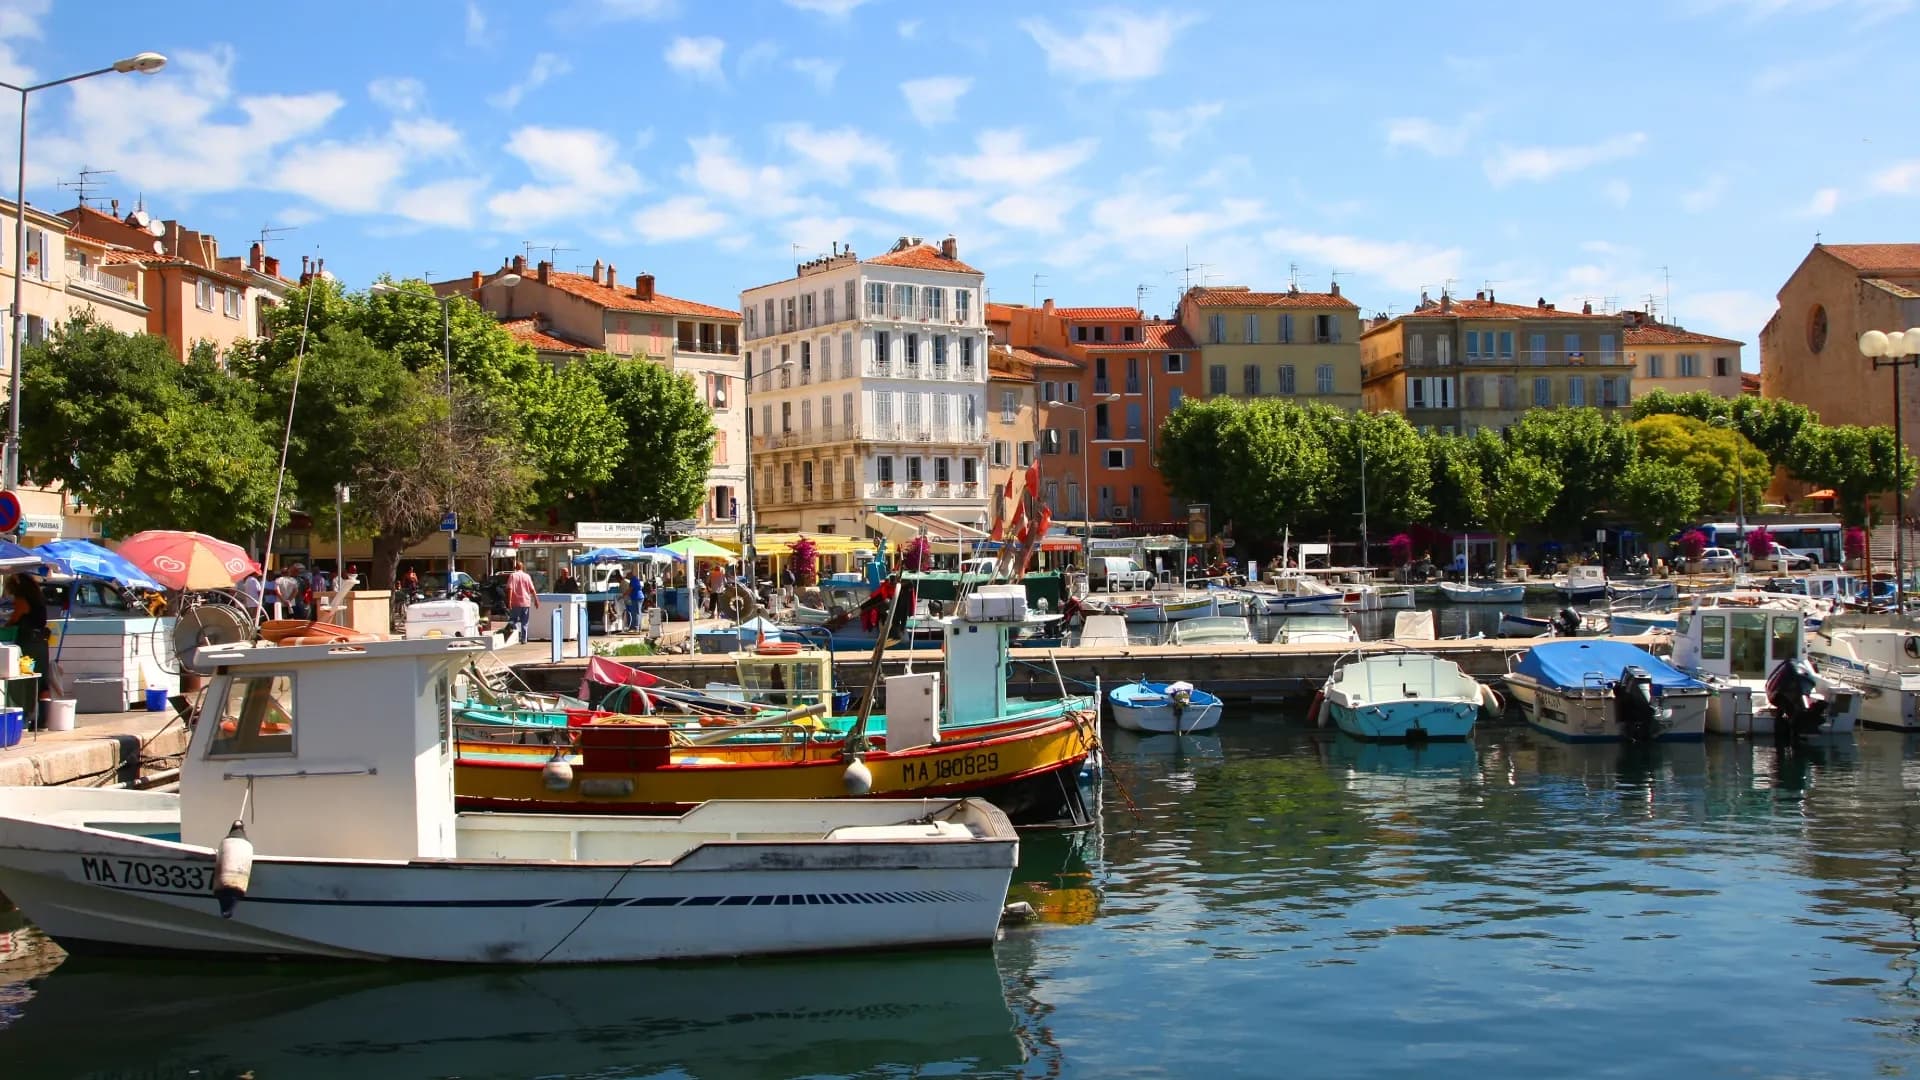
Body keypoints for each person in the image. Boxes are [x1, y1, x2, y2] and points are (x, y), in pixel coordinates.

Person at [7, 574, 48, 730]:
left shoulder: (22, 598)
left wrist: (6, 624)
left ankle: (24, 717)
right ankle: (42, 720)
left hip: (29, 643)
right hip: (41, 643)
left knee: (24, 681)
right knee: (42, 681)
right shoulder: (38, 597)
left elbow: (16, 616)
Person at [505, 560, 541, 643]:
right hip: (526, 602)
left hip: (515, 602)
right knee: (525, 621)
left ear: (515, 567)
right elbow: (532, 589)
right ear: (522, 567)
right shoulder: (527, 576)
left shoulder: (513, 576)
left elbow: (510, 588)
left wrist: (509, 601)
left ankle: (517, 632)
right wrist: (536, 599)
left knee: (513, 619)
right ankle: (524, 639)